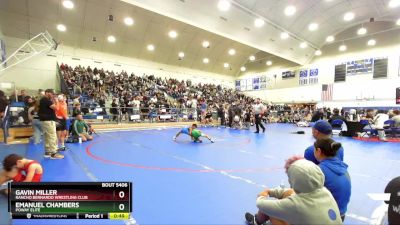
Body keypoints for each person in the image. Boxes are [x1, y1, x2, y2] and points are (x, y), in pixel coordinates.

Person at [245, 158, 343, 225]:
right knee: (289, 194)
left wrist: (263, 195)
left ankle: (256, 221)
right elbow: (290, 191)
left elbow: (261, 204)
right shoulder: (324, 191)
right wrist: (270, 191)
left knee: (270, 211)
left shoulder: (296, 205)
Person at [313, 138, 351, 221]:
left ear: (318, 151)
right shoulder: (342, 166)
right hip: (341, 214)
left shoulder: (319, 170)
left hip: (327, 216)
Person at [38, 89, 64, 159]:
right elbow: (56, 108)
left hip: (45, 121)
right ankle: (54, 153)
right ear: (47, 93)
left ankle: (48, 152)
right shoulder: (46, 100)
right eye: (52, 94)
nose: (53, 95)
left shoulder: (43, 100)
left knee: (47, 137)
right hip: (48, 121)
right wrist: (56, 101)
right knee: (52, 136)